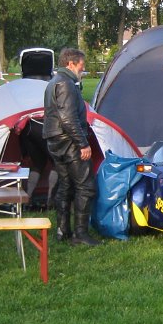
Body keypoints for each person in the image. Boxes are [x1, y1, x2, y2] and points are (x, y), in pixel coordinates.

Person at [43, 48, 100, 246]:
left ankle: (62, 230)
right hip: (68, 141)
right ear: (71, 64)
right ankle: (81, 234)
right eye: (81, 66)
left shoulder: (54, 82)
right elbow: (68, 118)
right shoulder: (66, 84)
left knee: (65, 185)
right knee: (85, 186)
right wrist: (83, 143)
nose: (83, 70)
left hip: (54, 139)